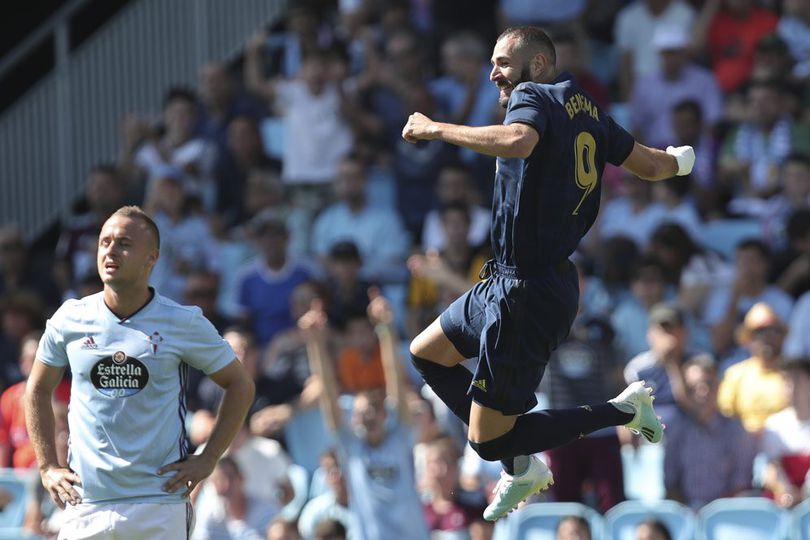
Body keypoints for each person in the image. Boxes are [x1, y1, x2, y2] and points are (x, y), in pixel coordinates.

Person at [401, 26, 694, 520]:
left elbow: (518, 141)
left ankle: (622, 410)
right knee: (424, 353)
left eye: (502, 62)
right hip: (507, 280)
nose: (494, 72)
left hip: (527, 291)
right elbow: (650, 165)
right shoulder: (589, 110)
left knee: (483, 442)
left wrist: (436, 129)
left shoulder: (532, 95)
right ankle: (520, 461)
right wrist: (680, 162)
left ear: (536, 66)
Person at [24, 206, 255, 539]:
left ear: (152, 257)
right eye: (105, 242)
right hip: (86, 502)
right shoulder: (69, 319)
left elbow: (240, 385)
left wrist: (209, 458)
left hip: (158, 504)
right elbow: (37, 390)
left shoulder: (183, 321)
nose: (111, 251)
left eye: (124, 243)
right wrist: (46, 466)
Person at [301, 290, 430, 540]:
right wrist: (315, 342)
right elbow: (328, 393)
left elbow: (394, 377)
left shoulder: (400, 436)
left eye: (371, 411)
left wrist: (385, 329)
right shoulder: (351, 447)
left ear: (385, 414)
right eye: (360, 414)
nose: (366, 417)